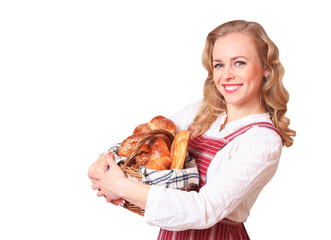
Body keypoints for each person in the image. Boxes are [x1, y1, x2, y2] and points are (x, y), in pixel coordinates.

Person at [88, 20, 296, 239]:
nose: (227, 75)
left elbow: (204, 209)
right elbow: (147, 141)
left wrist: (121, 187)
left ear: (266, 68)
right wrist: (105, 161)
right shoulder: (201, 111)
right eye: (219, 65)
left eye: (239, 63)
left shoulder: (262, 139)